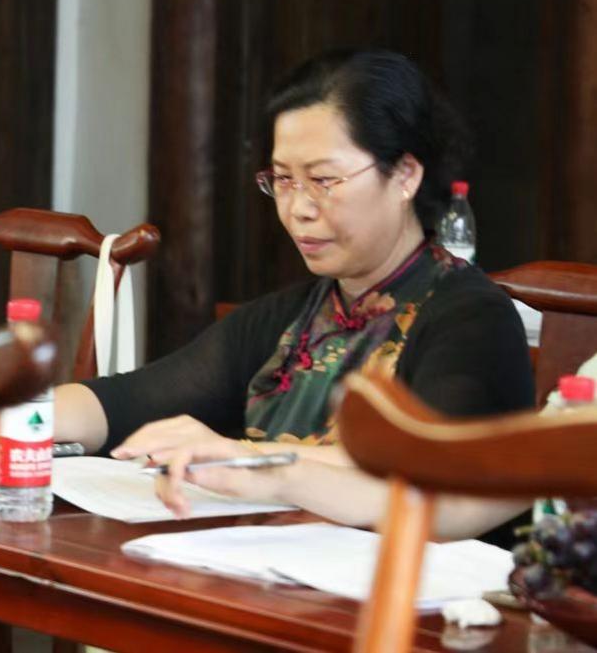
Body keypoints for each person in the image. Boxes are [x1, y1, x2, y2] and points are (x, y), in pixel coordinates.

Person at [49, 48, 534, 543]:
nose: (298, 208)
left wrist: (252, 459)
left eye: (323, 180)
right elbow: (124, 402)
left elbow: (435, 475)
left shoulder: (472, 320)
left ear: (405, 175)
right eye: (283, 179)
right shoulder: (290, 318)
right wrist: (16, 415)